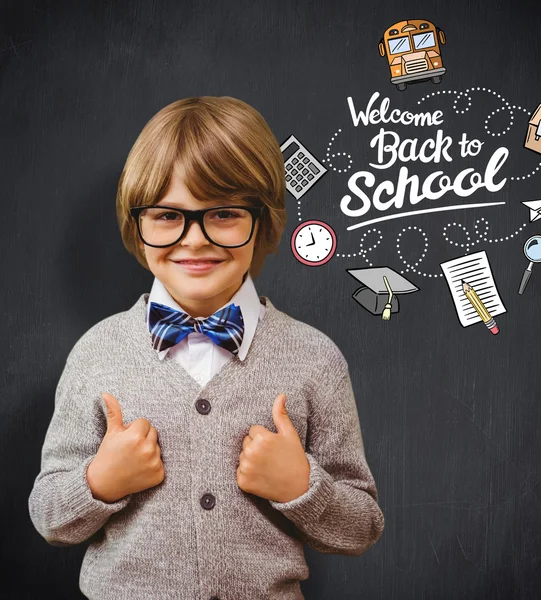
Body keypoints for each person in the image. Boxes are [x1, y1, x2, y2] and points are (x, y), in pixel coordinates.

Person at [28, 96, 385, 600]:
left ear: (261, 220)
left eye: (222, 214)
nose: (194, 241)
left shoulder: (315, 359)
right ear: (138, 223)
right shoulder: (96, 353)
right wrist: (98, 483)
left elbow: (363, 526)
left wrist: (302, 487)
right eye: (168, 216)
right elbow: (48, 515)